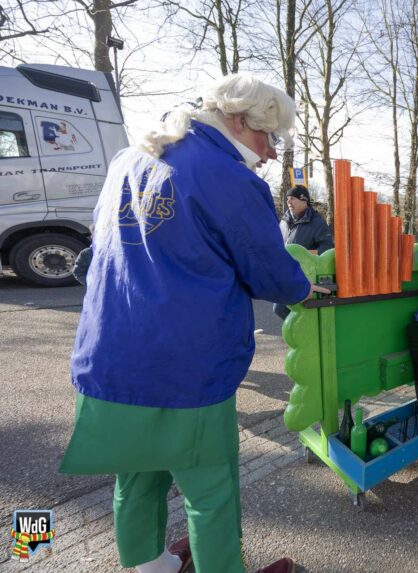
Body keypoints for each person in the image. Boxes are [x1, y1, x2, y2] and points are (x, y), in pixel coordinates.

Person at [60, 74, 328, 573]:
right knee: (211, 493)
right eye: (266, 136)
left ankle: (148, 565)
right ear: (236, 120)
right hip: (185, 366)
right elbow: (265, 265)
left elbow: (97, 254)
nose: (271, 152)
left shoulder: (127, 160)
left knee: (137, 479)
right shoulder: (226, 175)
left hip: (112, 359)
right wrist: (303, 287)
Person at [273, 184, 333, 320]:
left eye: (292, 198)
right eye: (287, 199)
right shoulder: (285, 219)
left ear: (304, 200)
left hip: (304, 273)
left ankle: (303, 334)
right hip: (285, 270)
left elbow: (327, 247)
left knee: (280, 307)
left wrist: (306, 255)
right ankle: (300, 334)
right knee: (280, 309)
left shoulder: (316, 221)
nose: (288, 202)